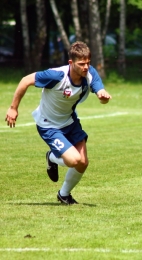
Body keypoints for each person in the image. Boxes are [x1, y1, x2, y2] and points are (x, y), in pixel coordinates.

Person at [5, 41, 112, 204]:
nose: (85, 67)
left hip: (70, 122)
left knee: (83, 163)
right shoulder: (56, 76)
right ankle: (51, 157)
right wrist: (13, 108)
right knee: (74, 160)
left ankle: (64, 195)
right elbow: (25, 80)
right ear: (71, 62)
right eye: (81, 64)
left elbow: (100, 92)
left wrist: (103, 96)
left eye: (88, 63)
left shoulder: (89, 73)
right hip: (49, 125)